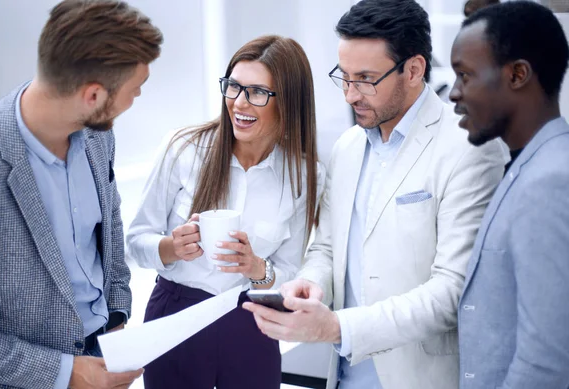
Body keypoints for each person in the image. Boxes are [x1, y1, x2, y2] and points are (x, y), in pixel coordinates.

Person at [243, 1, 507, 388]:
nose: (350, 95)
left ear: (414, 69)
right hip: (346, 375)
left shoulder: (469, 146)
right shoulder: (348, 147)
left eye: (365, 79)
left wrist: (336, 326)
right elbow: (328, 248)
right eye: (344, 77)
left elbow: (454, 291)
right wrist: (312, 284)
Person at [0, 1, 163, 388]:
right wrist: (65, 374)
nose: (136, 97)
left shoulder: (96, 133)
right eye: (135, 89)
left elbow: (108, 232)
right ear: (93, 95)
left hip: (103, 356)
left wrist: (118, 317)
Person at [126, 35, 324, 389]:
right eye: (233, 87)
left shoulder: (304, 174)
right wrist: (171, 249)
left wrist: (256, 268)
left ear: (289, 102)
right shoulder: (183, 148)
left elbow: (292, 274)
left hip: (251, 323)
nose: (238, 102)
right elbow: (135, 241)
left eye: (257, 92)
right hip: (176, 316)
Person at [448, 2, 569, 388]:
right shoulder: (527, 165)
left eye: (465, 76)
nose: (453, 93)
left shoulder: (551, 181)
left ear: (518, 74)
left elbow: (546, 362)